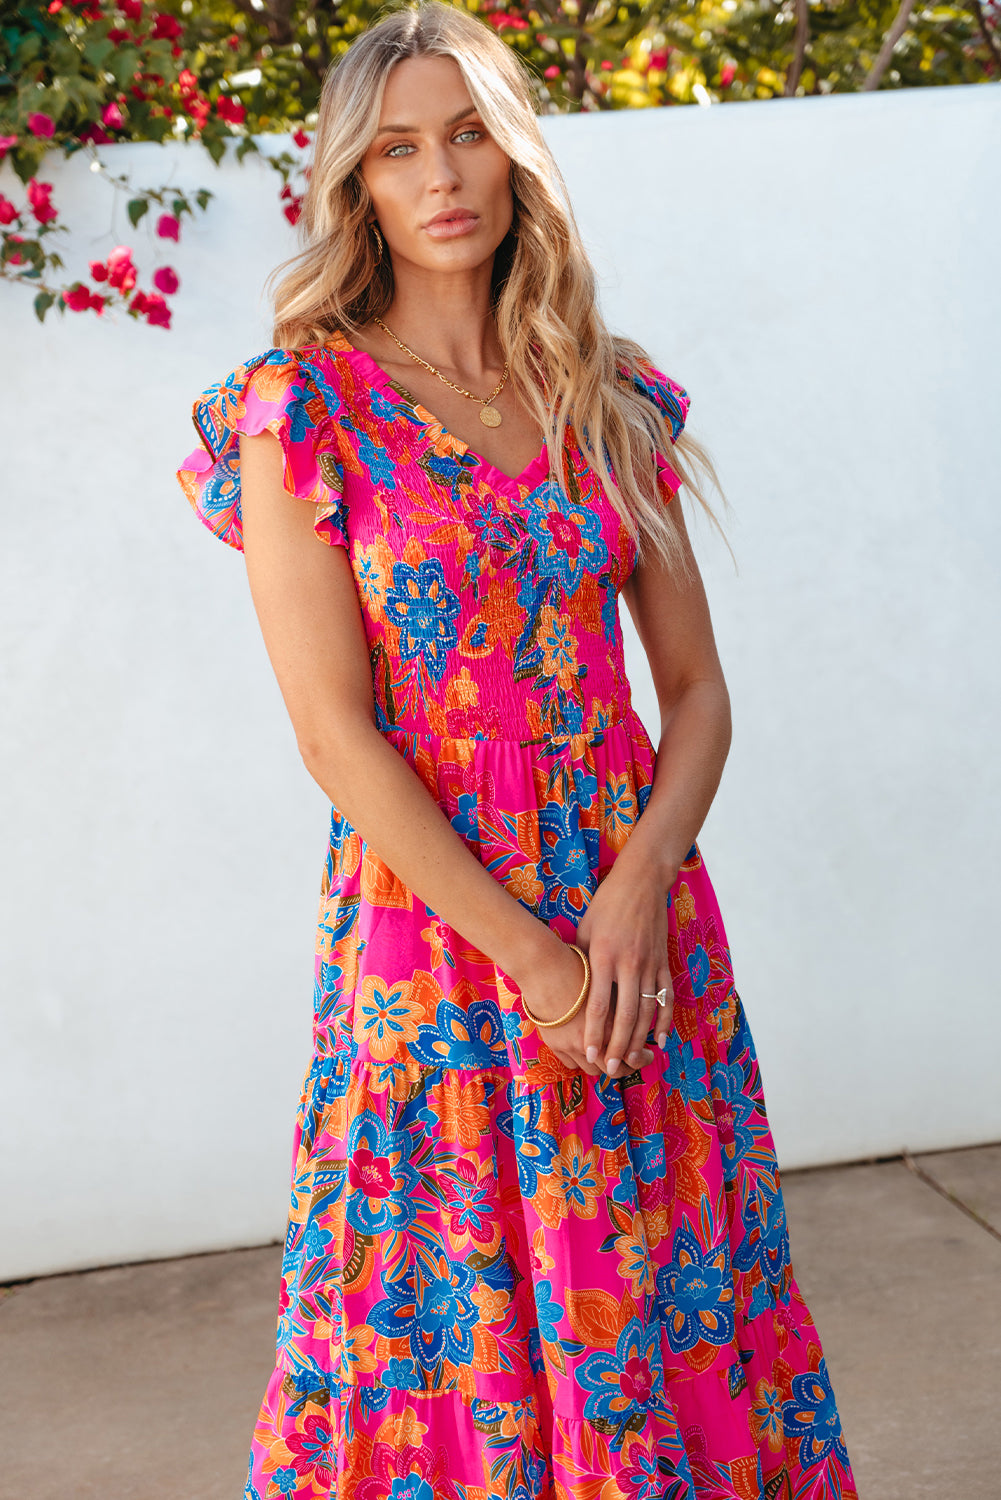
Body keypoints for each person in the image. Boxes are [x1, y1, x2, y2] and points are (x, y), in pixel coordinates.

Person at [177, 4, 856, 1496]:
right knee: (449, 1315)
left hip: (634, 924)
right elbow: (332, 736)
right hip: (434, 944)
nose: (441, 176)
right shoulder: (302, 410)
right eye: (398, 149)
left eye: (471, 134)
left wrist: (634, 892)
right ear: (356, 184)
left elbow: (696, 692)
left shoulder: (603, 392)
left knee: (668, 1283)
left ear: (517, 156)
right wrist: (533, 959)